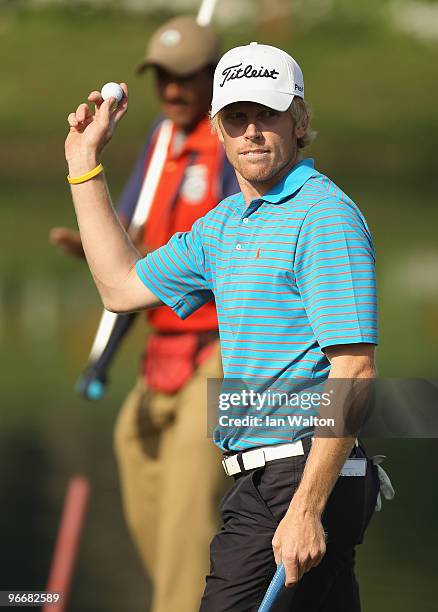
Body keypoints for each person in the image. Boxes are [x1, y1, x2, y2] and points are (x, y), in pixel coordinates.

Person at [64, 41, 384, 611]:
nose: (253, 131)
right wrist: (83, 165)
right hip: (255, 480)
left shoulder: (324, 216)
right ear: (218, 129)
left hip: (304, 474)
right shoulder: (223, 226)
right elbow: (119, 287)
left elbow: (355, 369)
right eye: (238, 117)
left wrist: (307, 509)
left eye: (268, 114)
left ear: (301, 120)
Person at [53, 17, 238, 612]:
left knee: (190, 515)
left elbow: (240, 250)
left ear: (215, 77)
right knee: (134, 450)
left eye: (187, 79)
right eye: (163, 78)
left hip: (220, 350)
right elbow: (128, 241)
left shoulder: (235, 144)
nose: (174, 92)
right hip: (159, 344)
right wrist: (96, 244)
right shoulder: (159, 141)